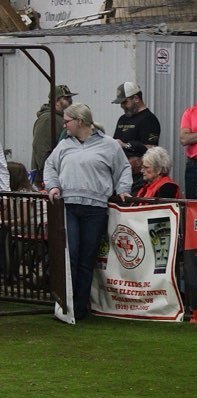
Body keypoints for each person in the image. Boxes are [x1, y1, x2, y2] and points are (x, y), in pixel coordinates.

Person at [43, 103, 132, 320]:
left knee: (86, 259)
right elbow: (49, 166)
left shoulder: (109, 145)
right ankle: (68, 307)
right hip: (69, 206)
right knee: (71, 255)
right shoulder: (64, 145)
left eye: (67, 121)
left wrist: (123, 189)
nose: (64, 125)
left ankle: (79, 308)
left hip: (95, 208)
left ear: (79, 121)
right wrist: (53, 186)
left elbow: (124, 168)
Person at [31, 84, 77, 188]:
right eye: (66, 98)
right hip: (47, 181)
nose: (70, 101)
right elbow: (41, 151)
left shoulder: (60, 118)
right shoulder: (48, 119)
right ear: (56, 100)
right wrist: (49, 176)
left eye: (70, 97)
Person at [111, 81, 160, 157]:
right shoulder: (122, 119)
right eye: (120, 103)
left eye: (124, 102)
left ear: (136, 98)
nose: (122, 106)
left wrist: (125, 145)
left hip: (140, 167)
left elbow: (152, 149)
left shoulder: (149, 119)